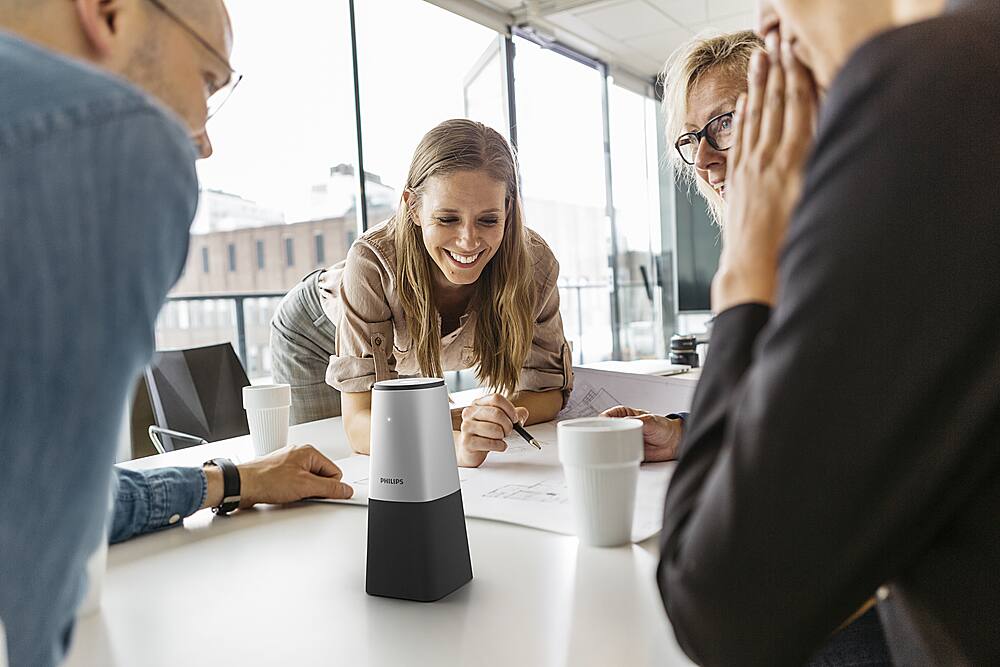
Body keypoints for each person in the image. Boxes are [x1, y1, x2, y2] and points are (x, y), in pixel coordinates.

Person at [0, 2, 349, 665]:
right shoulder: (112, 142)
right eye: (210, 81)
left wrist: (237, 478)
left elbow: (65, 501)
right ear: (109, 13)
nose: (204, 140)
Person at [654, 0, 1000, 665]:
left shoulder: (934, 95)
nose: (708, 159)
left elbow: (717, 602)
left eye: (728, 124)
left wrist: (746, 271)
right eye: (691, 138)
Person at [271, 119, 574, 468]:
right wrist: (456, 443)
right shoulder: (372, 261)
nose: (468, 241)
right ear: (412, 207)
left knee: (407, 437)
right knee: (331, 462)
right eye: (447, 219)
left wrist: (482, 417)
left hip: (402, 349)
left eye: (488, 220)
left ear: (508, 208)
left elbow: (548, 394)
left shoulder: (534, 265)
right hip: (316, 331)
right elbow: (360, 425)